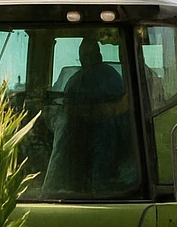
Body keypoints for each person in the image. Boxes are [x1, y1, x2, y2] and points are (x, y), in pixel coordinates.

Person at [42, 38, 137, 197]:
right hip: (81, 133)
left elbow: (122, 110)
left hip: (104, 133)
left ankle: (59, 187)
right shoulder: (83, 79)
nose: (85, 58)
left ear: (98, 55)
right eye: (83, 54)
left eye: (88, 54)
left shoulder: (105, 77)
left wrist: (96, 114)